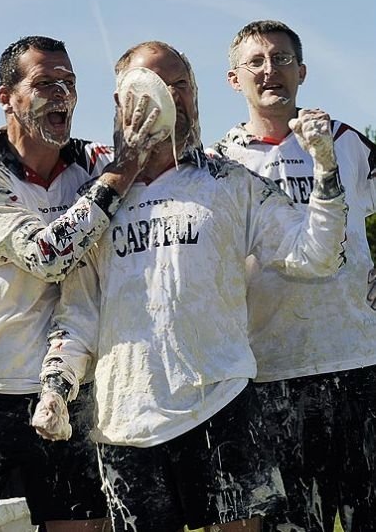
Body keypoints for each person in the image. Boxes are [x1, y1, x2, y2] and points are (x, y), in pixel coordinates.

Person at [32, 40, 348, 532]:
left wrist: (326, 168)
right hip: (126, 422)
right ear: (122, 101)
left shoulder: (228, 182)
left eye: (182, 84)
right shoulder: (95, 198)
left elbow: (315, 255)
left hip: (220, 403)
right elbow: (79, 314)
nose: (172, 97)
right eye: (156, 85)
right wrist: (57, 385)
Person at [0, 35, 164, 532]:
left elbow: (170, 171)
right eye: (44, 83)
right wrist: (120, 175)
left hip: (69, 390)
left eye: (70, 84)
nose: (61, 95)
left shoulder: (93, 162)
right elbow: (46, 256)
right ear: (6, 96)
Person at [210, 19, 376, 532]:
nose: (270, 70)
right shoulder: (222, 163)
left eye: (281, 59)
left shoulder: (345, 141)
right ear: (234, 79)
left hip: (357, 360)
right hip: (271, 370)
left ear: (301, 71)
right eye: (255, 62)